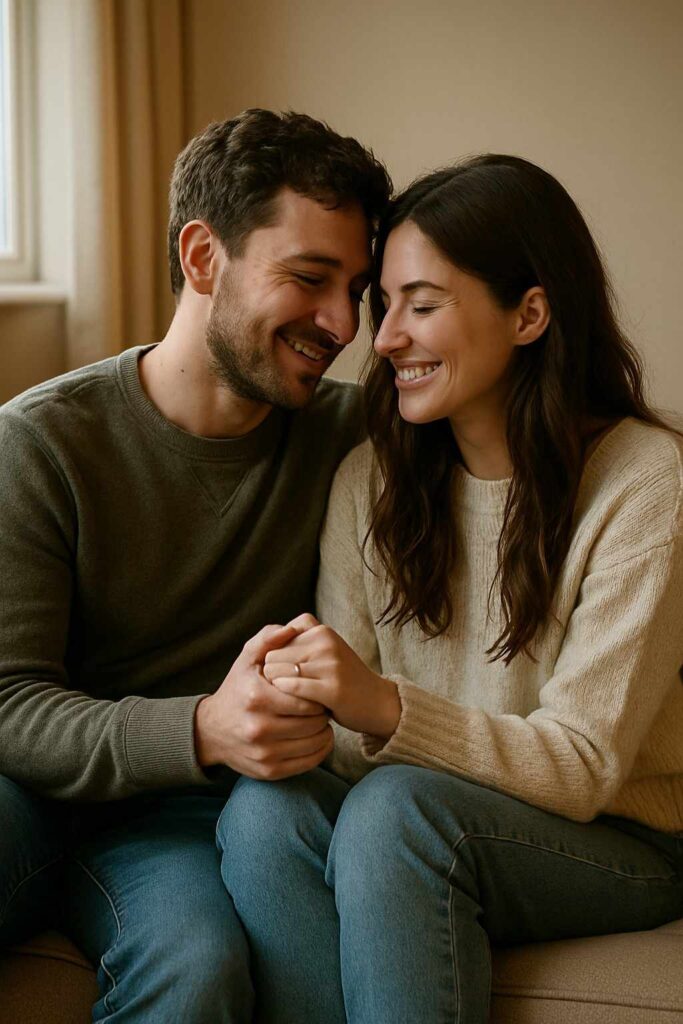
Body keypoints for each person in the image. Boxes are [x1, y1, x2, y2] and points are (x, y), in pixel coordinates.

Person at [217, 155, 683, 1023]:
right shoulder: (370, 481)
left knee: (397, 814)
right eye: (384, 304)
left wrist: (383, 706)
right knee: (263, 813)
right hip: (417, 811)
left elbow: (584, 766)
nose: (385, 338)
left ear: (528, 314)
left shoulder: (645, 482)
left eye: (422, 305)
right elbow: (346, 747)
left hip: (620, 838)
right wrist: (300, 698)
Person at [0, 108, 391, 1021]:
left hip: (174, 822)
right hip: (25, 795)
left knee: (198, 968)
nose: (343, 323)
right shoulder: (41, 442)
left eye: (356, 289)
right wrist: (203, 727)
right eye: (309, 279)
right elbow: (8, 701)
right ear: (203, 256)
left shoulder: (356, 438)